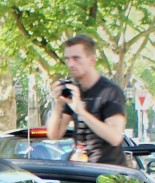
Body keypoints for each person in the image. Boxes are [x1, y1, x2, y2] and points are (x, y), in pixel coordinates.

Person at [46, 35, 128, 166]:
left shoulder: (110, 92)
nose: (71, 63)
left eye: (76, 58)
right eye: (67, 59)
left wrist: (81, 111)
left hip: (105, 172)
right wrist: (59, 103)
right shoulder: (74, 91)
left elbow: (115, 137)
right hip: (80, 170)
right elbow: (54, 134)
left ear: (92, 60)